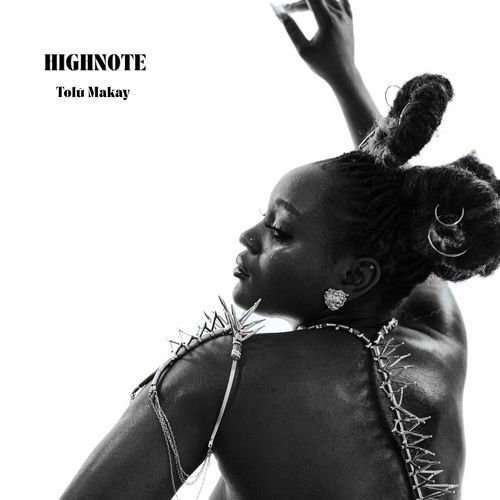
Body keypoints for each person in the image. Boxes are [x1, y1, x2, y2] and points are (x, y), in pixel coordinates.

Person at [60, 1, 500, 499]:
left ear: (354, 277)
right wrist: (344, 75)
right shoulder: (439, 344)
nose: (249, 236)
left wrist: (343, 75)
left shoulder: (225, 375)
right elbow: (401, 217)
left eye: (281, 230)